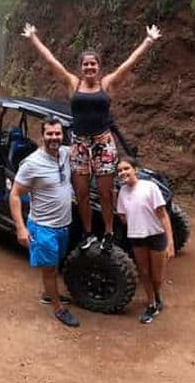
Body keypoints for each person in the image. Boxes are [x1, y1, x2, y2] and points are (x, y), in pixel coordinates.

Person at [21, 22, 162, 252]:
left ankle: (109, 232)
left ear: (98, 67)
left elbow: (129, 64)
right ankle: (87, 233)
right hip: (79, 145)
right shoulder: (73, 84)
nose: (89, 67)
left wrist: (148, 41)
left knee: (106, 193)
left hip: (103, 143)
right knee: (82, 193)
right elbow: (51, 61)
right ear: (81, 68)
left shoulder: (107, 84)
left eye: (93, 64)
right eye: (85, 64)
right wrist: (33, 38)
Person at [9, 118, 80, 328]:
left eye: (57, 133)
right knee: (49, 269)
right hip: (43, 227)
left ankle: (49, 293)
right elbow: (14, 194)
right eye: (49, 134)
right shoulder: (32, 164)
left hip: (63, 225)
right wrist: (20, 228)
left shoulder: (65, 153)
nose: (54, 137)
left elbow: (82, 148)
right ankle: (57, 307)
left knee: (55, 264)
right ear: (42, 135)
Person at [115, 156, 174, 324]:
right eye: (119, 170)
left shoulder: (150, 187)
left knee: (157, 276)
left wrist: (170, 242)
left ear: (135, 170)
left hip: (156, 235)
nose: (123, 173)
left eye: (126, 168)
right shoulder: (122, 192)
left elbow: (163, 215)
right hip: (136, 236)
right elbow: (122, 216)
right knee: (144, 273)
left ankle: (157, 296)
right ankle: (152, 304)